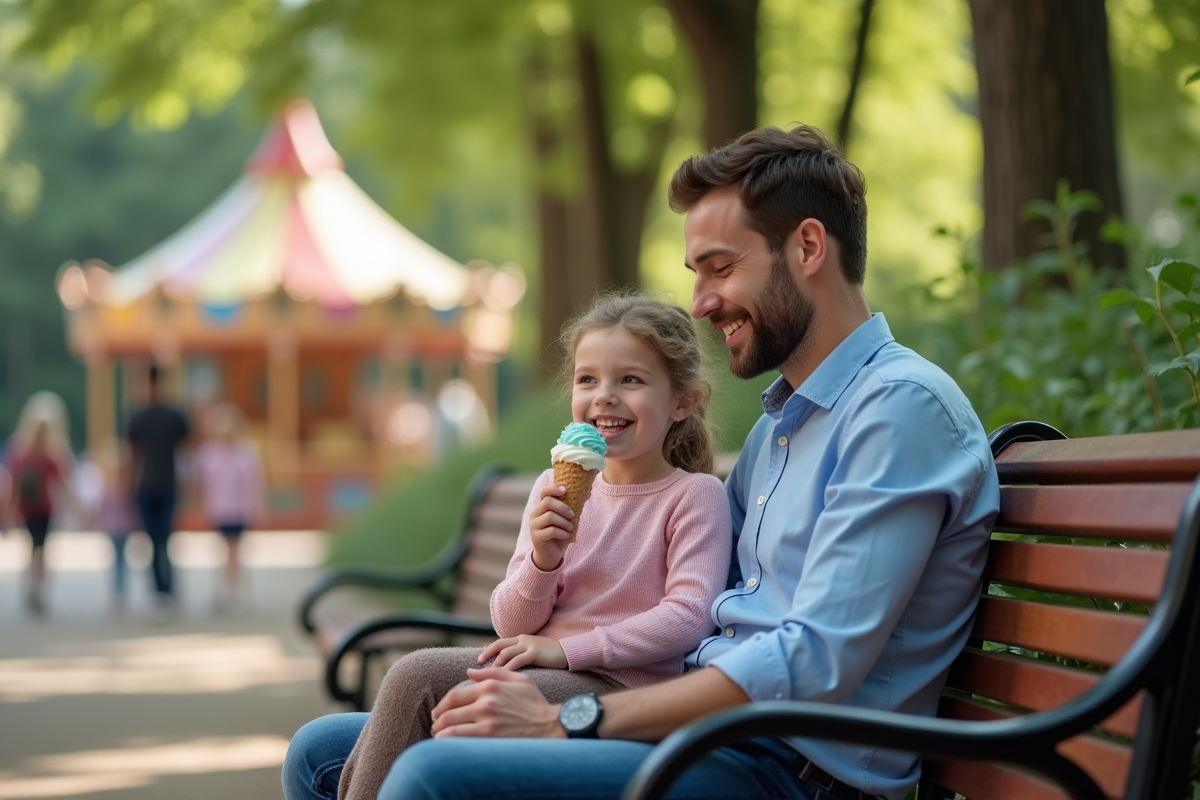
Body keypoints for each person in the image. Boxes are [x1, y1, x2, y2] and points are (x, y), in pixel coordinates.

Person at [282, 125, 1000, 800]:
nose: (700, 302)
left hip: (792, 769)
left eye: (720, 268)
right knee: (320, 752)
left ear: (808, 248)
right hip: (711, 732)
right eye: (695, 273)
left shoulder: (898, 411)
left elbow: (811, 660)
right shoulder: (786, 424)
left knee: (436, 775)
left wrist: (568, 719)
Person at [333, 295, 733, 800]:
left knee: (416, 676)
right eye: (587, 379)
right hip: (544, 672)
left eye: (630, 380)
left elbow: (688, 616)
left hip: (622, 693)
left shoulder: (694, 495)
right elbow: (512, 624)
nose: (604, 396)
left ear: (682, 400)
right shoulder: (554, 485)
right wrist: (544, 561)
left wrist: (565, 650)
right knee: (316, 746)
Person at [127, 363, 190, 616]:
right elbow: (132, 455)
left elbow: (187, 452)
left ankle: (169, 590)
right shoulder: (137, 416)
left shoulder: (174, 416)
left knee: (166, 538)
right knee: (152, 541)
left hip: (168, 485)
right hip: (146, 487)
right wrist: (128, 484)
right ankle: (158, 591)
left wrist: (190, 481)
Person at [193, 403, 264, 614]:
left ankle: (235, 592)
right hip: (218, 509)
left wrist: (257, 506)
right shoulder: (208, 453)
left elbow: (255, 482)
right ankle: (225, 591)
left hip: (239, 508)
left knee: (235, 550)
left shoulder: (246, 452)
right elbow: (202, 483)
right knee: (222, 551)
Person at [5, 419, 74, 615]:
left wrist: (10, 511)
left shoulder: (22, 455)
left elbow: (14, 486)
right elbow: (63, 484)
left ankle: (32, 588)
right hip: (44, 509)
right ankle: (38, 589)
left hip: (27, 510)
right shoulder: (49, 456)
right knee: (40, 551)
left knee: (32, 549)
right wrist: (76, 508)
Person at [92, 441, 139, 613]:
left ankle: (118, 594)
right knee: (121, 561)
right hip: (122, 529)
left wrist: (97, 523)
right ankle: (120, 593)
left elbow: (100, 509)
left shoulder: (110, 488)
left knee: (117, 561)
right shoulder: (126, 489)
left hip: (113, 529)